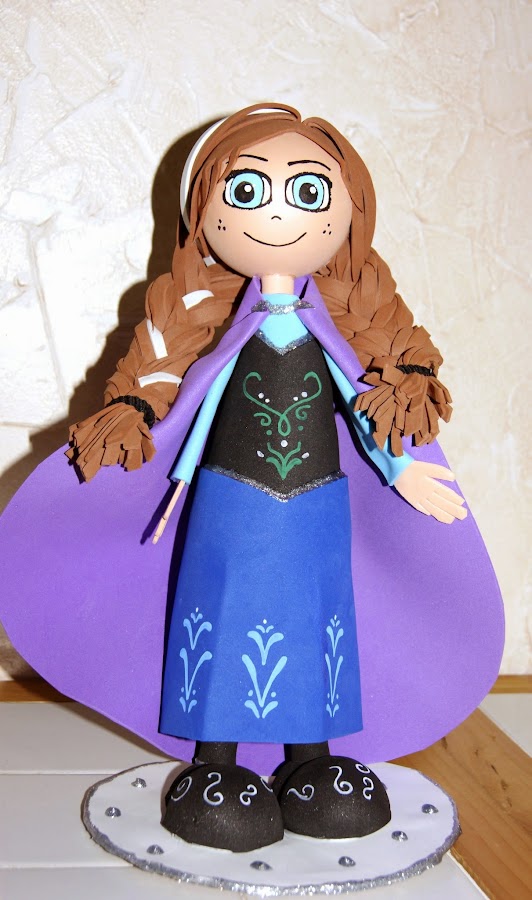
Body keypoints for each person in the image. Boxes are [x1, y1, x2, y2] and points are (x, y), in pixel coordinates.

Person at [0, 105, 504, 852]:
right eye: (246, 191)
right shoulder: (217, 330)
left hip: (318, 507)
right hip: (229, 503)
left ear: (348, 214)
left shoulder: (330, 330)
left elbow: (363, 404)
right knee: (223, 612)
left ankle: (312, 761)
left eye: (306, 192)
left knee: (316, 615)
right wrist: (139, 437)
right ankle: (215, 764)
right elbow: (180, 400)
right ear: (205, 214)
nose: (274, 213)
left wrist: (402, 471)